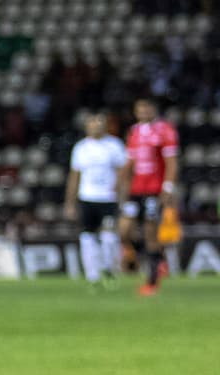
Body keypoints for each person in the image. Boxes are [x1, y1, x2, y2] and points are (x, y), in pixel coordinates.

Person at [117, 96, 179, 296]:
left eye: (146, 109)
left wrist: (168, 187)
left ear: (153, 110)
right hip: (136, 189)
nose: (143, 112)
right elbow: (129, 162)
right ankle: (155, 258)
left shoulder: (165, 130)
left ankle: (152, 281)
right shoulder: (134, 132)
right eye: (139, 109)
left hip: (154, 189)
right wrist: (120, 183)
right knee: (124, 229)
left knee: (151, 231)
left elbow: (171, 162)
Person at [64, 111, 127, 290]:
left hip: (108, 198)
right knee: (87, 238)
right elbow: (74, 176)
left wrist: (123, 198)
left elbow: (123, 174)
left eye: (99, 122)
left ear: (105, 125)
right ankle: (93, 276)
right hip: (87, 198)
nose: (95, 126)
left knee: (108, 237)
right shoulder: (81, 148)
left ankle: (109, 270)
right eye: (92, 123)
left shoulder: (114, 145)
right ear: (86, 126)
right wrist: (70, 202)